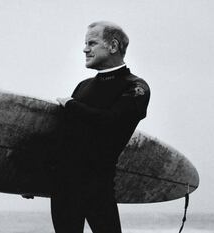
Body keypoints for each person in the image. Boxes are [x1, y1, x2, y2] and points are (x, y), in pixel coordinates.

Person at [53, 21, 150, 233]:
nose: (85, 48)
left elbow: (110, 123)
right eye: (85, 43)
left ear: (113, 46)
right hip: (63, 190)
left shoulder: (136, 87)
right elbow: (64, 139)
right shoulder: (83, 86)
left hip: (98, 189)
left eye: (92, 43)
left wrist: (70, 104)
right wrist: (29, 178)